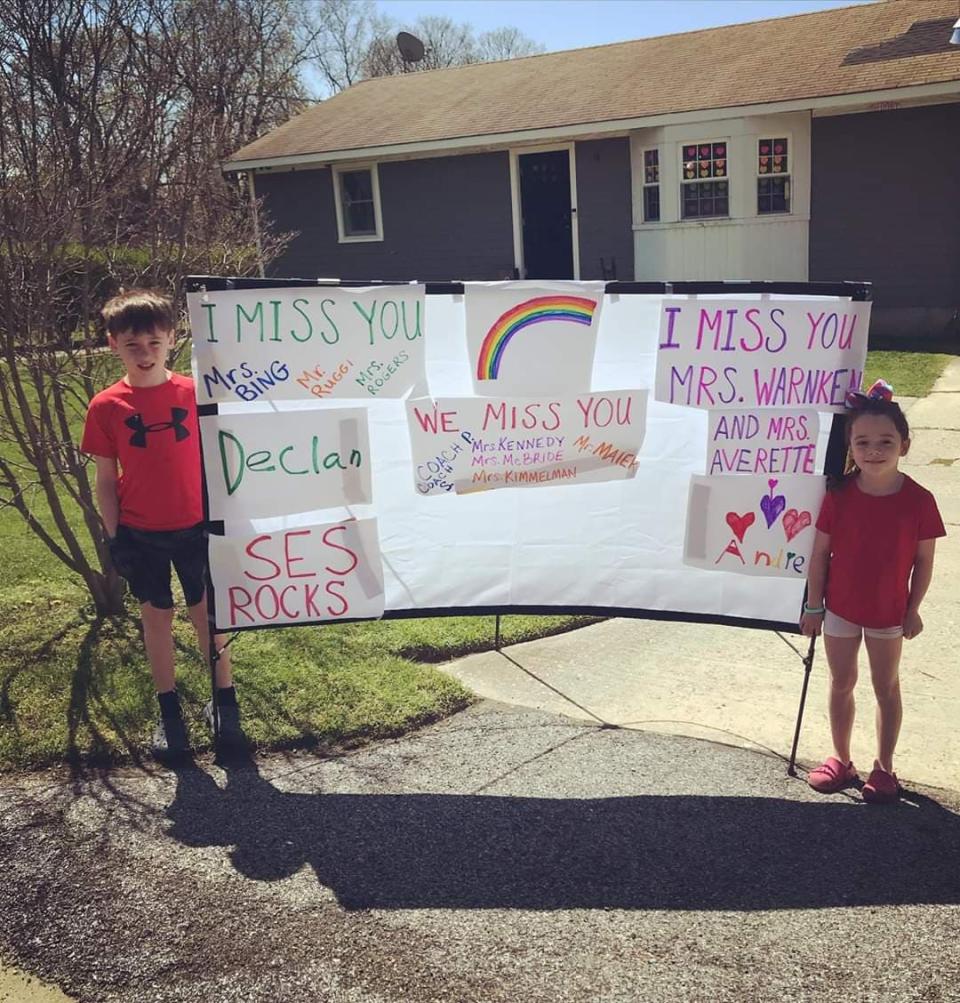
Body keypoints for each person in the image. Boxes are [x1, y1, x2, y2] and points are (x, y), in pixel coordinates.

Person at [81, 289, 244, 757]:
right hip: (142, 533)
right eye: (133, 345)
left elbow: (225, 458)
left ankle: (224, 702)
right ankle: (168, 710)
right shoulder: (107, 406)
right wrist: (116, 538)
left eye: (154, 343)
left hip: (197, 528)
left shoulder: (196, 394)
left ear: (172, 338)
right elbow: (107, 481)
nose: (145, 354)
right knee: (157, 617)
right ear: (113, 344)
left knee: (208, 615)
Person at [800, 381, 945, 803]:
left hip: (888, 614)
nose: (874, 450)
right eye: (863, 442)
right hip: (840, 609)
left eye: (886, 441)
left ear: (904, 444)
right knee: (841, 681)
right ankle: (842, 760)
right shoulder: (838, 494)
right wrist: (814, 605)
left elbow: (924, 563)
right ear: (851, 446)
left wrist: (913, 609)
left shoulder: (920, 500)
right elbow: (820, 555)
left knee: (886, 687)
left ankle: (884, 768)